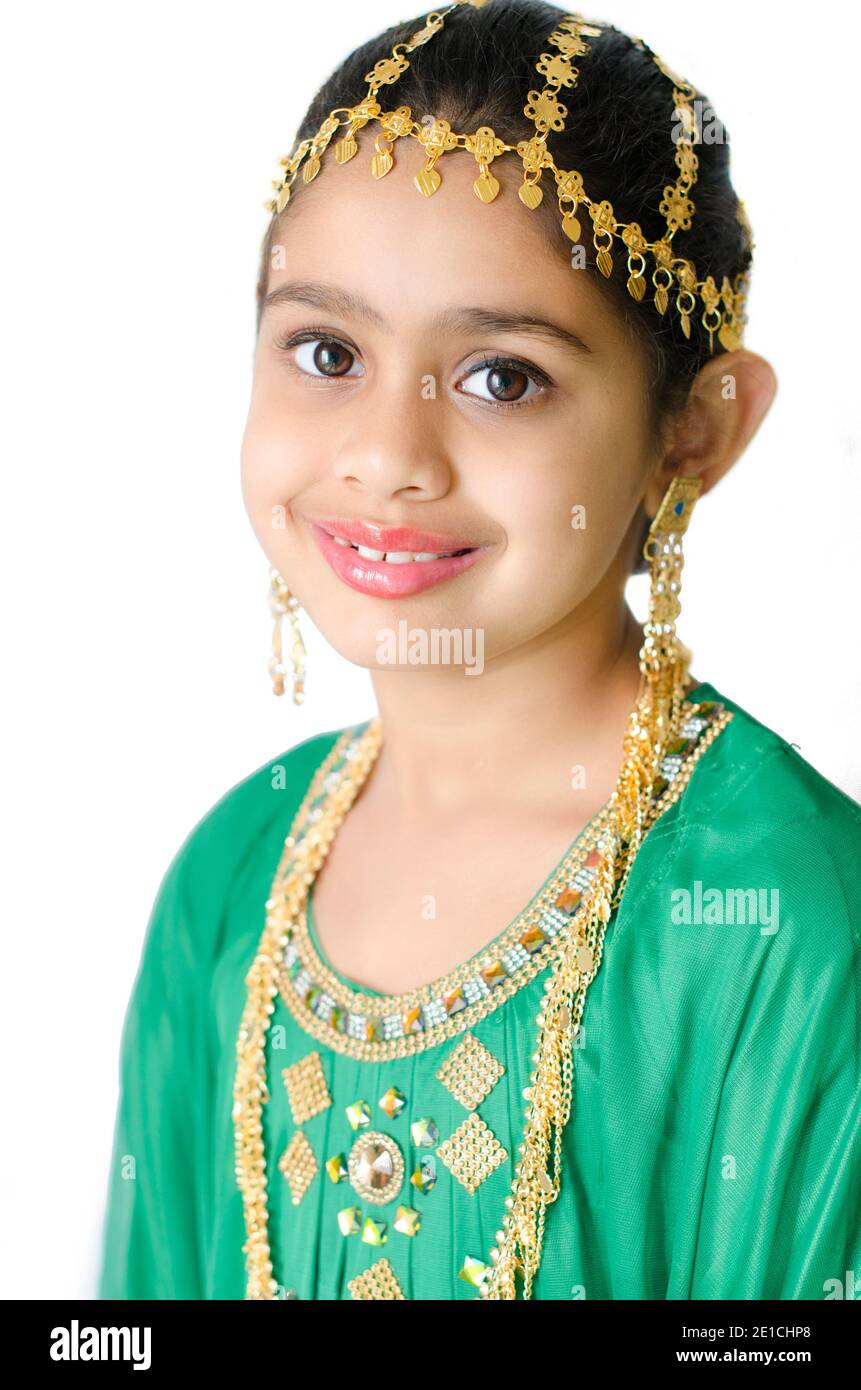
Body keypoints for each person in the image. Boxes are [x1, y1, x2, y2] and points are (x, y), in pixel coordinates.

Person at [96, 1, 861, 1301]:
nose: (386, 455)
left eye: (500, 377)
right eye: (326, 352)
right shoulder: (229, 881)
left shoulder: (788, 928)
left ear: (696, 428)